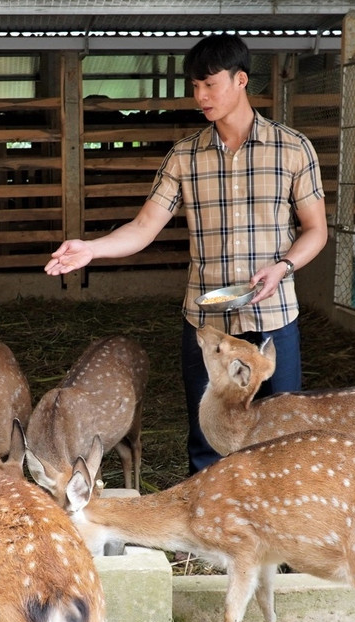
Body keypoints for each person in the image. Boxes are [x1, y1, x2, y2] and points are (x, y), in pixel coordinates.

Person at [44, 33, 327, 474]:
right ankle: (203, 536)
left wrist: (284, 267)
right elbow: (142, 229)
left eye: (209, 85)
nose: (200, 96)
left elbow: (316, 231)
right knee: (207, 437)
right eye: (194, 87)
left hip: (272, 318)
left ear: (241, 81)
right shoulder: (183, 157)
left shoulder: (293, 149)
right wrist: (90, 249)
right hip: (207, 325)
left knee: (282, 436)